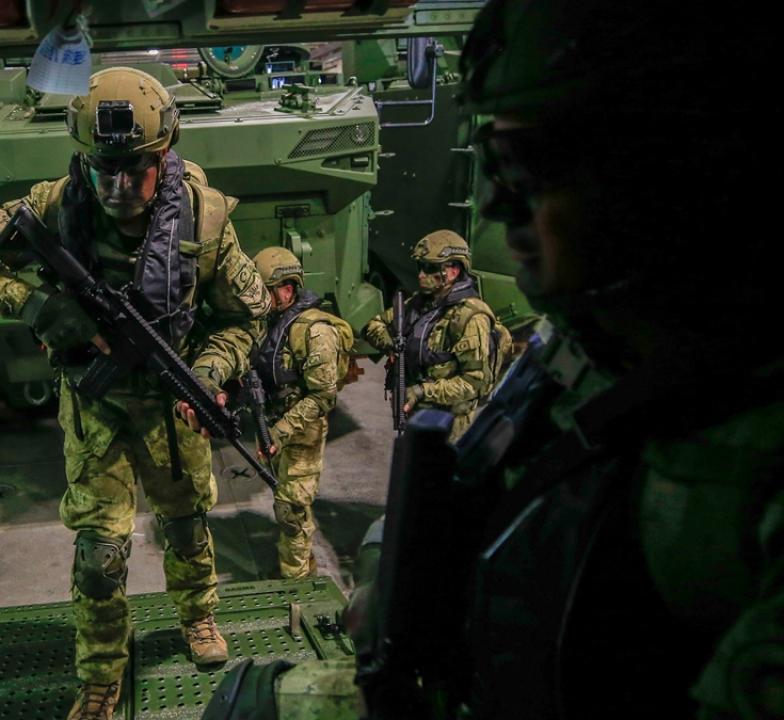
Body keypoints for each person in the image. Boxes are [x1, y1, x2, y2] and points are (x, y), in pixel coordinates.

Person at [203, 2, 781, 718]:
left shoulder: (746, 451)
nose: (499, 207)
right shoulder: (584, 348)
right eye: (494, 162)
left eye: (530, 168)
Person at [0, 66, 272, 720]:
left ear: (164, 153)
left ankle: (198, 616)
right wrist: (34, 305)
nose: (117, 186)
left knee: (187, 527)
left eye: (135, 168)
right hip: (95, 405)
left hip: (172, 406)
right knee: (99, 555)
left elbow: (246, 316)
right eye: (103, 167)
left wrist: (209, 371)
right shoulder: (55, 206)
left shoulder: (203, 218)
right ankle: (102, 672)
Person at [249, 247, 353, 580]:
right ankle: (302, 566)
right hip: (274, 423)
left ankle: (296, 582)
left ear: (288, 288)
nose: (260, 297)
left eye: (267, 290)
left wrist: (280, 431)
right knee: (285, 499)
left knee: (291, 509)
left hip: (303, 429)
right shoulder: (268, 321)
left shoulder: (315, 331)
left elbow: (323, 396)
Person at [361, 230, 506, 443]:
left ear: (454, 271)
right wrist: (392, 345)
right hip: (416, 412)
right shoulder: (418, 304)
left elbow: (473, 384)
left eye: (430, 268)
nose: (421, 275)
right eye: (420, 267)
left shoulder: (471, 318)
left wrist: (422, 391)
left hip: (448, 422)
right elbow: (374, 325)